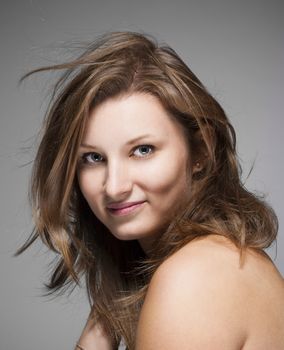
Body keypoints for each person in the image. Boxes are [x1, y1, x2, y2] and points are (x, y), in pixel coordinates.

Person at [18, 31, 284, 350]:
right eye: (93, 158)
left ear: (201, 150)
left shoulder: (196, 276)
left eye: (143, 150)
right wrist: (105, 313)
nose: (114, 187)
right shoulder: (221, 259)